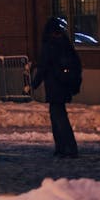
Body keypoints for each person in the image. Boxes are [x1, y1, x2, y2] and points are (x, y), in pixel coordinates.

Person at [30, 17, 82, 158]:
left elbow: (43, 67)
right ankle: (65, 147)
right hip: (64, 85)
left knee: (58, 118)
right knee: (59, 116)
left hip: (54, 85)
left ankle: (65, 147)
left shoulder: (49, 45)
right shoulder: (64, 42)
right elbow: (76, 63)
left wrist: (34, 84)